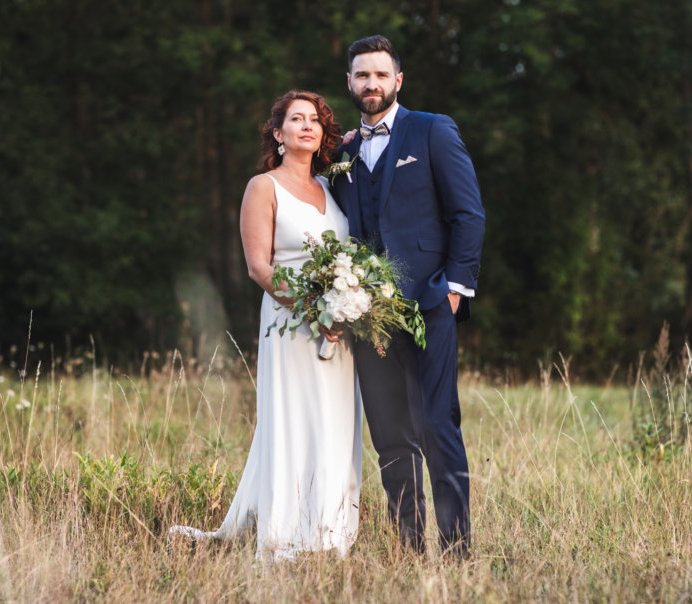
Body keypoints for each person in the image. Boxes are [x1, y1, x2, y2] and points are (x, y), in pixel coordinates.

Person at [169, 90, 362, 562]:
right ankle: (285, 534)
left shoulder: (331, 186)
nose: (306, 126)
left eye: (314, 120)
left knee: (336, 423)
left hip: (339, 328)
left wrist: (342, 309)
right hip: (291, 322)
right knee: (294, 420)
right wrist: (314, 309)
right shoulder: (263, 187)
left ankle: (330, 529)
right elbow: (260, 267)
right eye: (296, 119)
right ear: (278, 134)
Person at [330, 35, 485, 557]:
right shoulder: (343, 153)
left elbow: (468, 213)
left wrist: (456, 290)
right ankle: (410, 550)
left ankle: (458, 549)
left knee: (437, 424)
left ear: (398, 80)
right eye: (361, 75)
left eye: (380, 74)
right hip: (366, 317)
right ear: (349, 83)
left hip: (429, 305)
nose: (370, 83)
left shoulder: (432, 131)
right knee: (390, 435)